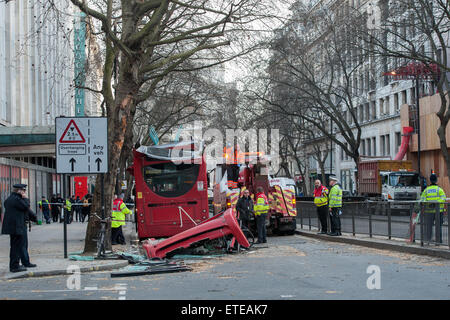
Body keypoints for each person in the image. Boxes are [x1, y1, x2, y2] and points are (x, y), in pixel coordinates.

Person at [1, 184, 37, 272]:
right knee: (16, 247)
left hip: (15, 227)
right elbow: (26, 206)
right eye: (24, 191)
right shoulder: (16, 199)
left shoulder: (10, 199)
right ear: (19, 191)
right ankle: (14, 266)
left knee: (16, 246)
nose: (25, 193)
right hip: (16, 227)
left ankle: (18, 264)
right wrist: (25, 198)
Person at [420, 172, 446, 243]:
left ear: (430, 180)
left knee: (428, 227)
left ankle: (428, 240)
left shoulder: (426, 190)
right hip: (438, 211)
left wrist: (429, 203)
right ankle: (439, 241)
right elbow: (443, 198)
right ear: (436, 180)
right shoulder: (439, 189)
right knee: (438, 227)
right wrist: (436, 203)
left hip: (428, 212)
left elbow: (422, 200)